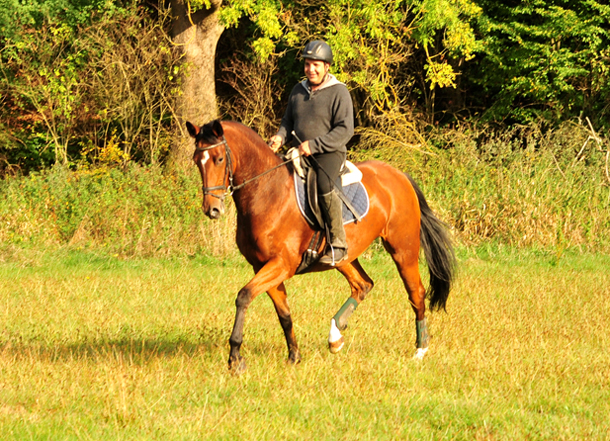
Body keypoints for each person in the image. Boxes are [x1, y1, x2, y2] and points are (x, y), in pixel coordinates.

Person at [268, 40, 354, 266]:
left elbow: (345, 129)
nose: (311, 69)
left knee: (325, 185)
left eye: (316, 65)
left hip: (329, 152)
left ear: (327, 66)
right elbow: (288, 121)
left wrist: (314, 146)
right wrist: (280, 137)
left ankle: (338, 243)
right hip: (299, 150)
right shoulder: (298, 90)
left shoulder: (339, 92)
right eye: (308, 64)